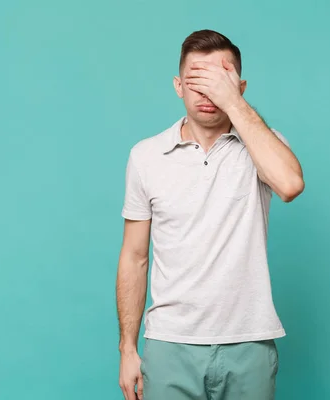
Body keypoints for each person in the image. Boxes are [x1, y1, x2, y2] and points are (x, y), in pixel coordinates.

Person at [116, 29, 305, 400]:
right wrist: (127, 348)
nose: (208, 93)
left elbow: (289, 185)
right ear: (178, 86)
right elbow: (134, 257)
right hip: (170, 343)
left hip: (248, 340)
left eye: (220, 81)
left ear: (240, 86)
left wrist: (233, 103)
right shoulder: (146, 156)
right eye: (197, 81)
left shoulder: (264, 144)